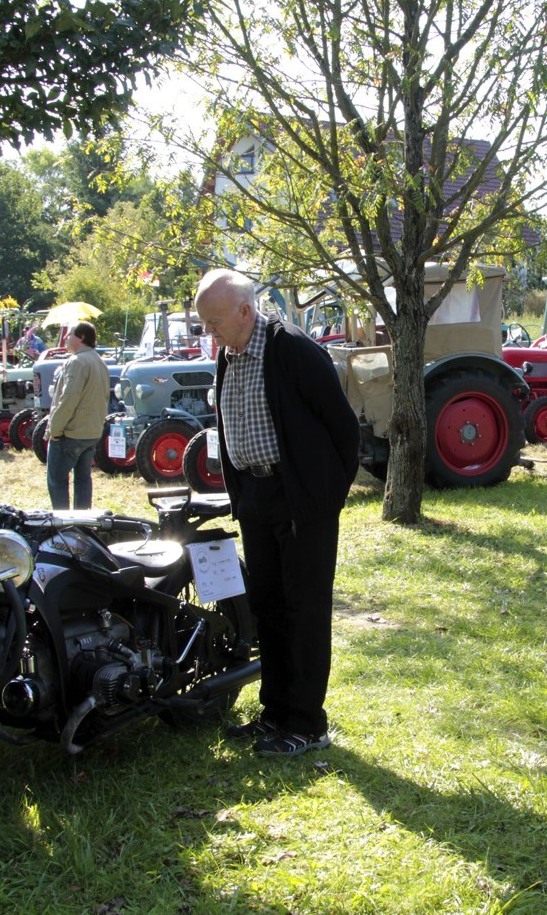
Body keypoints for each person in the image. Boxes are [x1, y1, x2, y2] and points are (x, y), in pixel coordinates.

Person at [195, 268, 359, 757]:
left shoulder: (291, 348)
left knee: (304, 609)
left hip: (300, 498)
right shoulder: (229, 352)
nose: (209, 332)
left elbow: (343, 427)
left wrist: (324, 496)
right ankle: (275, 713)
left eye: (214, 322)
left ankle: (307, 724)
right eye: (205, 323)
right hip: (255, 495)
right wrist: (243, 492)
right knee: (266, 606)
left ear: (246, 311)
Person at [45, 321, 111, 509]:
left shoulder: (77, 362)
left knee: (57, 481)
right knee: (83, 480)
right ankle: (82, 521)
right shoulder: (99, 361)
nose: (66, 338)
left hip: (71, 432)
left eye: (70, 334)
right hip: (91, 432)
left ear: (81, 337)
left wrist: (54, 430)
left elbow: (69, 399)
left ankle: (63, 522)